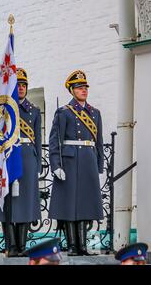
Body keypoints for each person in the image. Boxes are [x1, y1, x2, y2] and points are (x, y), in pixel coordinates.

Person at [48, 70, 104, 256]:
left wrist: (99, 164)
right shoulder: (64, 112)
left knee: (85, 203)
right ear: (71, 90)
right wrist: (56, 165)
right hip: (70, 162)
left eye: (85, 87)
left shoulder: (95, 113)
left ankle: (83, 246)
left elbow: (99, 141)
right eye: (79, 88)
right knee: (69, 205)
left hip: (88, 160)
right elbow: (55, 140)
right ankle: (73, 245)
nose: (83, 90)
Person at [0, 68, 42, 257]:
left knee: (25, 202)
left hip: (28, 157)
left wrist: (39, 163)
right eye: (18, 85)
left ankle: (22, 245)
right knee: (7, 201)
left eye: (24, 85)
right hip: (7, 157)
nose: (21, 88)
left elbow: (38, 139)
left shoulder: (34, 111)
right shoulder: (3, 110)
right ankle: (10, 245)